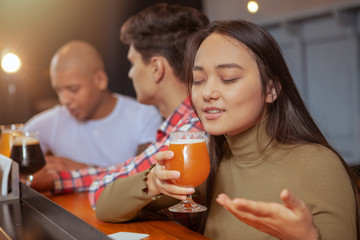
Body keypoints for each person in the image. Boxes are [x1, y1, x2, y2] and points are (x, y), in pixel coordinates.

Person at [94, 20, 360, 239]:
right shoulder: (208, 160)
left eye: (228, 78)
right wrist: (151, 183)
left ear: (271, 89)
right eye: (198, 80)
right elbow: (105, 208)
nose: (207, 92)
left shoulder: (319, 166)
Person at [28, 4, 209, 200]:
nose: (130, 74)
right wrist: (60, 179)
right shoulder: (175, 125)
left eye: (133, 63)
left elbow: (119, 185)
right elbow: (129, 172)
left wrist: (65, 178)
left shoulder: (189, 130)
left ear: (156, 68)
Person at [24, 40, 162, 170]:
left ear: (100, 80)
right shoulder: (52, 122)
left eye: (73, 89)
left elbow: (143, 175)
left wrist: (80, 170)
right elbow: (7, 159)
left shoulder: (143, 116)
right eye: (58, 90)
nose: (64, 100)